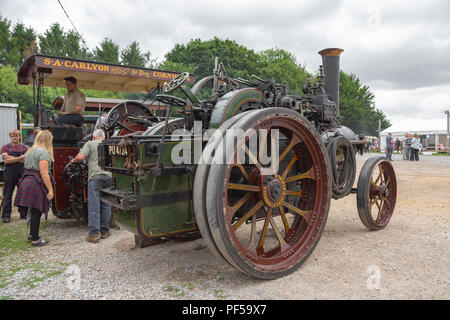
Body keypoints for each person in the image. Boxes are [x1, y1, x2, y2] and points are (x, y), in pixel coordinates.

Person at [71, 129, 113, 243]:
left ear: (94, 137)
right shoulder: (110, 144)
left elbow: (80, 158)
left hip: (96, 177)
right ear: (103, 137)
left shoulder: (90, 143)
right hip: (110, 177)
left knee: (94, 205)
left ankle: (94, 233)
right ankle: (105, 230)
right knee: (106, 204)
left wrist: (72, 161)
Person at [14, 130, 54, 247]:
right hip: (35, 183)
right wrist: (50, 190)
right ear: (48, 141)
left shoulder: (30, 150)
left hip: (26, 180)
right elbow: (44, 173)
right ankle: (35, 240)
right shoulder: (43, 152)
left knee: (32, 211)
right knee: (37, 211)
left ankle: (32, 235)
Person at [1, 130, 29, 223]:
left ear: (19, 137)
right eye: (13, 136)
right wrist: (19, 158)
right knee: (7, 194)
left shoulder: (25, 147)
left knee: (23, 193)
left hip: (22, 172)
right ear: (10, 137)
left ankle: (23, 213)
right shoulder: (5, 147)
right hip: (9, 173)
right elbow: (6, 161)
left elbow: (24, 160)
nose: (14, 137)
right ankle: (6, 215)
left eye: (16, 136)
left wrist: (12, 158)